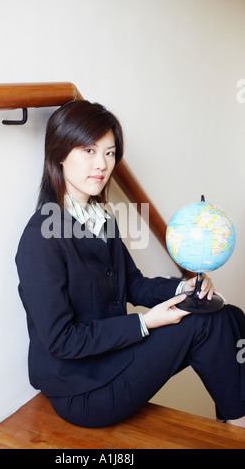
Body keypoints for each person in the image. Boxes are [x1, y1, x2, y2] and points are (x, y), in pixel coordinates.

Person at [16, 100, 245, 429]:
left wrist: (184, 287)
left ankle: (232, 419)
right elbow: (61, 340)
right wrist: (146, 323)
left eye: (109, 153)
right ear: (60, 153)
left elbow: (133, 283)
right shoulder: (40, 238)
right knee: (205, 324)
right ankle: (238, 426)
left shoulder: (102, 219)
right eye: (89, 150)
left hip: (114, 357)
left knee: (228, 315)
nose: (102, 164)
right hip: (82, 390)